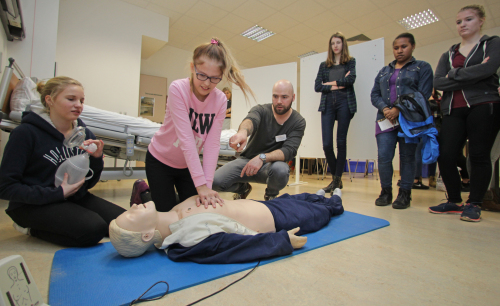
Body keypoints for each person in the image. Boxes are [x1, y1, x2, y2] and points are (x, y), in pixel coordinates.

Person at [0, 76, 125, 247]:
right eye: (71, 99)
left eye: (81, 100)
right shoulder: (26, 133)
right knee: (93, 229)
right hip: (31, 204)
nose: (78, 105)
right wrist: (57, 193)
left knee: (125, 224)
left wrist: (96, 160)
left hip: (73, 198)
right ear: (49, 100)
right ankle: (29, 228)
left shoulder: (85, 134)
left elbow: (88, 184)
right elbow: (5, 187)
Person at [143, 38, 253, 212]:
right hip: (160, 160)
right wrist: (200, 185)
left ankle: (158, 197)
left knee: (195, 210)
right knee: (166, 213)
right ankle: (144, 194)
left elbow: (212, 145)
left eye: (215, 78)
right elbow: (186, 139)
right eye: (201, 75)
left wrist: (207, 186)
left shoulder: (220, 100)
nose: (206, 83)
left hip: (186, 165)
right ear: (193, 68)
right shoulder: (177, 89)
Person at [109, 191, 344, 263]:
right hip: (277, 219)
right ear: (147, 235)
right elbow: (235, 247)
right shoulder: (188, 237)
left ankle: (321, 194)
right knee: (326, 210)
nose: (132, 208)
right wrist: (283, 241)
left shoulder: (174, 211)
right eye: (130, 217)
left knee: (300, 196)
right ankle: (332, 198)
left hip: (262, 204)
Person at [429, 5, 500, 222]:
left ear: (481, 21)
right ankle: (454, 199)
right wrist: (473, 74)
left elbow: (489, 69)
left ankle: (474, 203)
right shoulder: (449, 53)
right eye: (459, 22)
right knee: (446, 153)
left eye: (468, 19)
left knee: (478, 155)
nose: (463, 25)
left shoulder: (491, 43)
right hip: (453, 108)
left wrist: (455, 75)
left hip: (484, 104)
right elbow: (438, 81)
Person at [212, 80, 306, 201]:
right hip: (247, 161)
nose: (279, 101)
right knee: (214, 182)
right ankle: (242, 189)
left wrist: (262, 158)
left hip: (271, 166)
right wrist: (243, 133)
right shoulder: (261, 110)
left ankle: (270, 195)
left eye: (284, 97)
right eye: (275, 96)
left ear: (293, 97)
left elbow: (289, 151)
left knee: (281, 170)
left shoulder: (298, 122)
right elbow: (251, 120)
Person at [371, 33, 433, 209]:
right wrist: (386, 109)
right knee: (383, 157)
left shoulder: (422, 68)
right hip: (385, 120)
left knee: (407, 157)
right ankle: (386, 192)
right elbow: (374, 94)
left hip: (409, 121)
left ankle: (405, 193)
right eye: (396, 47)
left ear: (412, 46)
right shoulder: (384, 71)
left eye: (404, 47)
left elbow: (423, 94)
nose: (399, 50)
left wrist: (399, 109)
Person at [315, 32, 357, 194]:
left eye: (338, 42)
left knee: (341, 142)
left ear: (343, 44)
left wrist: (330, 83)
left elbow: (351, 80)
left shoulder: (350, 62)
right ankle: (336, 179)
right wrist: (339, 84)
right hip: (328, 105)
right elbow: (318, 86)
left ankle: (337, 180)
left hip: (345, 103)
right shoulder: (324, 65)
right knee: (327, 144)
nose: (335, 46)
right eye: (333, 43)